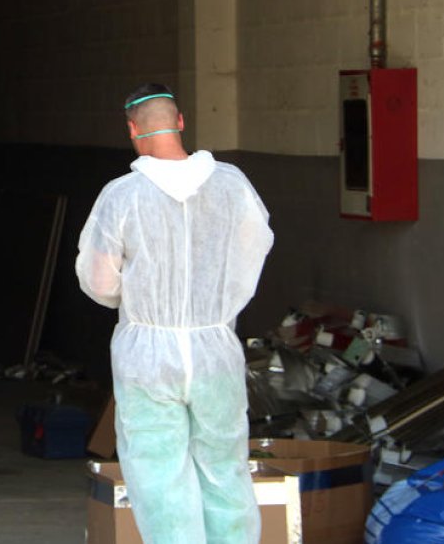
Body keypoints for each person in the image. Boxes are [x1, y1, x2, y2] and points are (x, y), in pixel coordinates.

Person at [75, 85, 274, 543]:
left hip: (147, 355)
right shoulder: (232, 184)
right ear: (181, 121)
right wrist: (217, 302)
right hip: (214, 350)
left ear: (131, 130)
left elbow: (100, 281)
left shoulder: (121, 195)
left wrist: (140, 305)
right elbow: (254, 249)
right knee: (225, 472)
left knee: (160, 480)